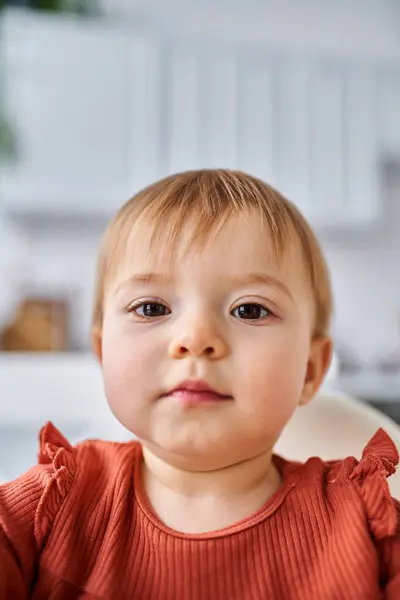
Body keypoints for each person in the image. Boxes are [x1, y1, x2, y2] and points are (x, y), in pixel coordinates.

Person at [1, 169, 399, 600]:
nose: (195, 338)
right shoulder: (50, 508)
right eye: (151, 307)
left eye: (249, 310)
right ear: (103, 354)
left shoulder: (366, 527)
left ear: (310, 369)